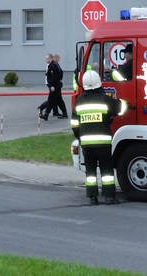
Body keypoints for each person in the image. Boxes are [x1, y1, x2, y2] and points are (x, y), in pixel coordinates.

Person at [71, 69, 127, 205]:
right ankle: (109, 197)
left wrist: (80, 137)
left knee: (90, 172)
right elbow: (121, 108)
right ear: (99, 83)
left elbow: (74, 123)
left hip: (87, 144)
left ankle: (92, 198)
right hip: (103, 143)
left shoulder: (79, 101)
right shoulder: (104, 99)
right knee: (106, 171)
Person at [40, 53, 67, 121]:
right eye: (46, 59)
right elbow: (60, 74)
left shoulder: (52, 65)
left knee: (51, 100)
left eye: (47, 58)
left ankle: (45, 114)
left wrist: (52, 85)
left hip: (54, 87)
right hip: (57, 86)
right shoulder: (54, 64)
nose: (46, 60)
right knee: (59, 100)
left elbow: (53, 77)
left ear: (51, 58)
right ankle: (64, 114)